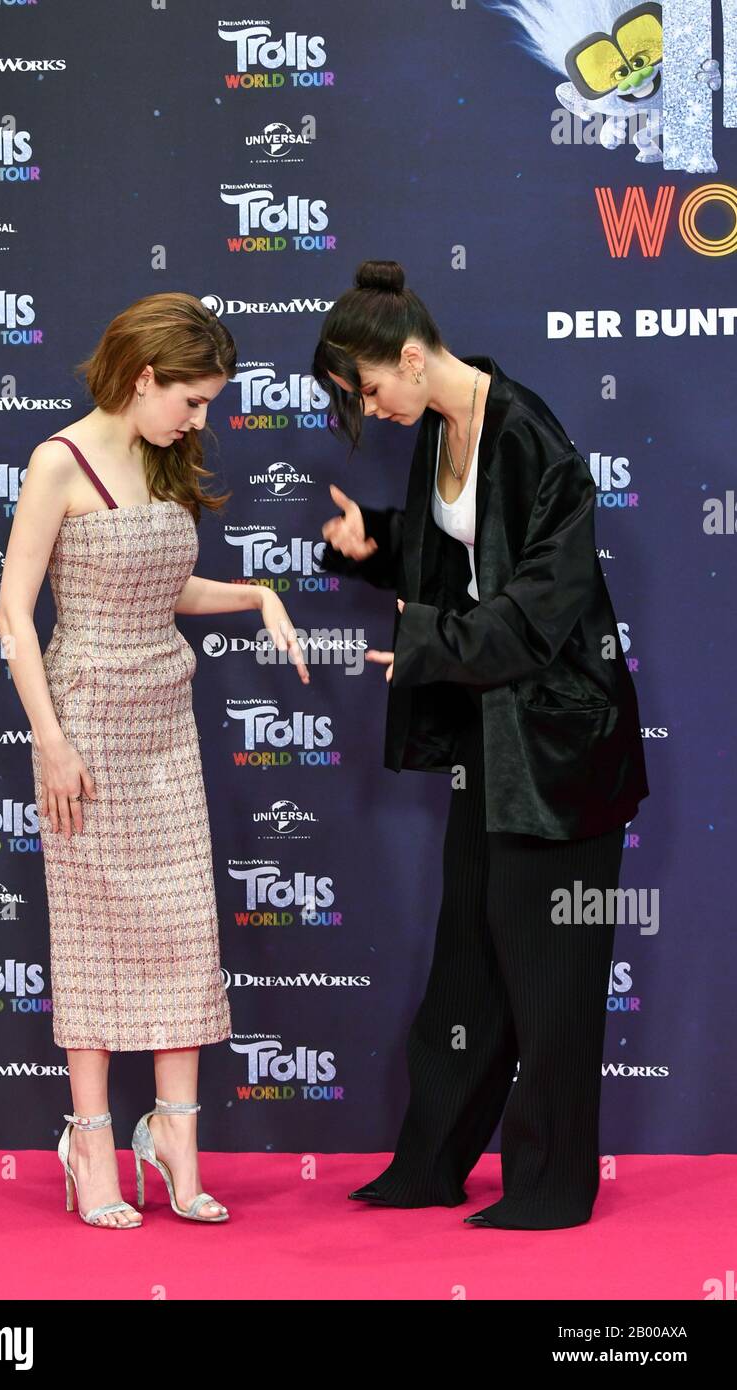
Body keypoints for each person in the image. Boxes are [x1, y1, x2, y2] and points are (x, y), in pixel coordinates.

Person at [314, 259, 649, 1230]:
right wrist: (377, 540)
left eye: (373, 391)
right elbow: (461, 553)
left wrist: (426, 645)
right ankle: (429, 1164)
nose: (374, 412)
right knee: (469, 958)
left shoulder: (529, 434)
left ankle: (550, 1188)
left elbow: (540, 606)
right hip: (495, 740)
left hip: (560, 752)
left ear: (412, 357)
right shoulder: (443, 431)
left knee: (550, 980)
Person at [0, 292, 309, 1229]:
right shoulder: (58, 462)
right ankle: (90, 1141)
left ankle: (174, 1137)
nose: (200, 419)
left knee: (181, 931)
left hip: (166, 727)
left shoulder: (166, 461)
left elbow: (171, 591)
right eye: (194, 400)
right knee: (90, 937)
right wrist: (50, 742)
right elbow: (14, 614)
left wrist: (257, 594)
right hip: (84, 727)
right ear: (144, 378)